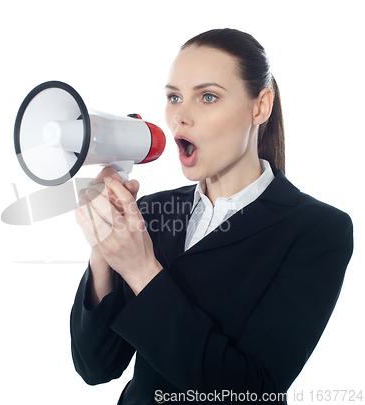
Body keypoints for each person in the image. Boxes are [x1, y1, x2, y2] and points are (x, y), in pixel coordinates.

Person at [70, 28, 354, 404]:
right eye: (174, 97)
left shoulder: (318, 230)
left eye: (207, 96)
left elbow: (253, 392)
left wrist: (141, 270)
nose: (180, 117)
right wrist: (102, 252)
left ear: (260, 106)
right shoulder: (153, 213)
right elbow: (96, 367)